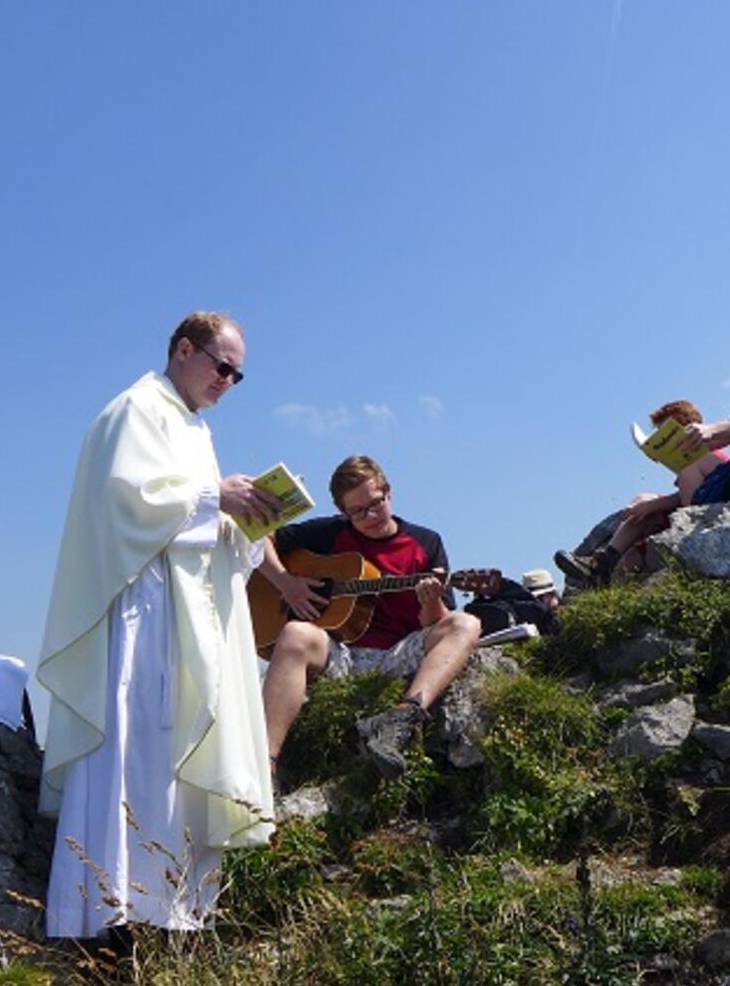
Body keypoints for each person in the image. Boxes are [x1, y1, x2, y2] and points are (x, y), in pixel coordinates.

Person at [39, 312, 278, 939]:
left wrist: (243, 524)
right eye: (221, 366)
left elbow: (192, 512)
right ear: (182, 350)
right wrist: (212, 498)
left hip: (183, 614)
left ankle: (170, 909)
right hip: (143, 615)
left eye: (238, 373)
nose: (229, 380)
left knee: (172, 751)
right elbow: (125, 500)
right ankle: (107, 912)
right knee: (137, 746)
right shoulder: (136, 409)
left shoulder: (191, 427)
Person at [260, 455, 481, 779]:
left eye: (375, 504)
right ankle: (264, 764)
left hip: (402, 651)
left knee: (466, 623)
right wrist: (287, 583)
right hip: (345, 654)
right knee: (295, 633)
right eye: (358, 512)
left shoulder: (426, 542)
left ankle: (404, 716)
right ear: (342, 512)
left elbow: (436, 623)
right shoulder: (330, 534)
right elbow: (262, 536)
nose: (370, 516)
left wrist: (431, 602)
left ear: (388, 492)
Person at [555, 330, 730, 586]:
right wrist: (668, 448)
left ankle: (692, 541)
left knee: (727, 446)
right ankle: (602, 562)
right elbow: (713, 439)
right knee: (645, 501)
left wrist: (715, 431)